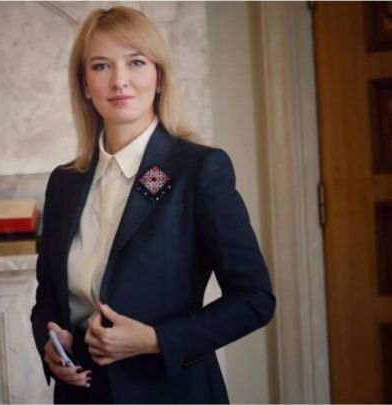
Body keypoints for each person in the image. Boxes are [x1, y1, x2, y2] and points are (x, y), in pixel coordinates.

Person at [31, 6, 275, 404]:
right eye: (101, 66)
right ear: (84, 85)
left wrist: (155, 339)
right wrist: (50, 342)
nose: (119, 80)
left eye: (136, 62)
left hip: (171, 392)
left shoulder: (199, 170)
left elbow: (255, 300)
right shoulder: (65, 182)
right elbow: (47, 300)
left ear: (159, 76)